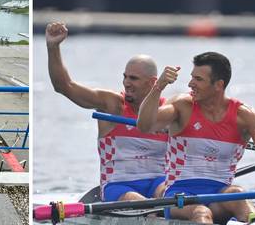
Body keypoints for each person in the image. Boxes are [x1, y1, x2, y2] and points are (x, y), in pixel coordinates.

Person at [137, 51, 255, 224]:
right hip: (179, 196)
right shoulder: (182, 106)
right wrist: (159, 86)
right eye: (192, 77)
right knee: (201, 212)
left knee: (237, 194)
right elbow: (144, 125)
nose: (191, 83)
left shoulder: (243, 115)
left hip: (219, 195)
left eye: (198, 79)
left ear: (218, 85)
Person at [46, 22, 168, 202]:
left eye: (133, 78)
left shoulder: (168, 111)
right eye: (125, 77)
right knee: (140, 202)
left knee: (169, 193)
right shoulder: (112, 105)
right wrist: (53, 47)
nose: (126, 83)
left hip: (158, 182)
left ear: (152, 83)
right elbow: (64, 86)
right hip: (119, 185)